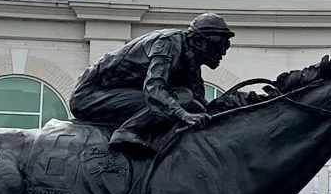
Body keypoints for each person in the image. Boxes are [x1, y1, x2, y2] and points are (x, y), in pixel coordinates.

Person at [68, 13, 235, 158]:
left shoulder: (190, 59)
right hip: (90, 96)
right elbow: (154, 88)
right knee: (183, 97)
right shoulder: (167, 43)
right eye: (220, 45)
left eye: (226, 46)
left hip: (117, 94)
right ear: (198, 41)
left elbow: (200, 104)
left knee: (190, 102)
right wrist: (183, 115)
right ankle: (127, 132)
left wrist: (225, 105)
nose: (223, 52)